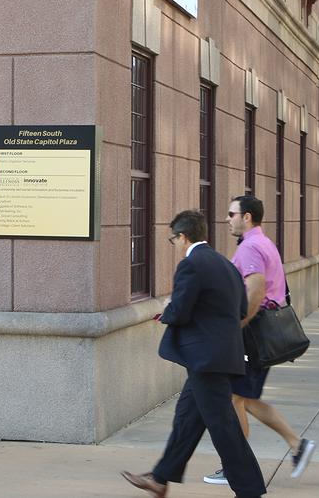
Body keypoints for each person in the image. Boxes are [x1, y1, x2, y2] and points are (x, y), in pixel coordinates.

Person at [122, 210, 267, 498]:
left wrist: (167, 310)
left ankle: (250, 491)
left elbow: (180, 311)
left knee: (223, 426)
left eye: (173, 239)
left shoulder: (191, 264)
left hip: (205, 359)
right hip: (219, 356)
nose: (174, 244)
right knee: (187, 419)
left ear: (183, 236)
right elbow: (240, 310)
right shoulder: (225, 264)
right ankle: (160, 479)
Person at [204, 196, 315, 486]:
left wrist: (236, 326)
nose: (227, 218)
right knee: (245, 398)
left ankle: (235, 466)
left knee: (234, 398)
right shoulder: (262, 242)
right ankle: (296, 444)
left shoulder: (251, 247)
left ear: (247, 217)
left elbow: (255, 292)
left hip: (251, 332)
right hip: (260, 331)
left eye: (232, 213)